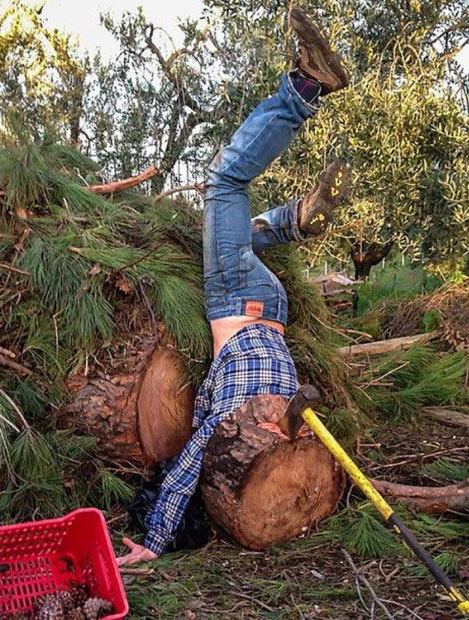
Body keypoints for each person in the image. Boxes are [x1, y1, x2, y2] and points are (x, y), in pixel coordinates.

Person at [117, 7, 351, 566]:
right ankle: (304, 91)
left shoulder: (290, 408)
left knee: (228, 216)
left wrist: (154, 543)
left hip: (269, 308)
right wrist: (152, 540)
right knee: (225, 185)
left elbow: (190, 471)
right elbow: (180, 477)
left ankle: (293, 211)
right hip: (237, 302)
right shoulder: (235, 420)